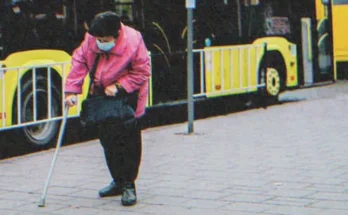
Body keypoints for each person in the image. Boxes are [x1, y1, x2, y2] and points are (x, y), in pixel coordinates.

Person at [64, 11, 151, 206]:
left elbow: (143, 71)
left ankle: (129, 184)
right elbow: (79, 61)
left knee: (128, 141)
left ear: (117, 34)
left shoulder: (133, 41)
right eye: (98, 40)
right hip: (102, 96)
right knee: (107, 140)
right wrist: (71, 90)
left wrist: (119, 86)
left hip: (128, 95)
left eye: (105, 40)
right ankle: (117, 181)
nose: (100, 43)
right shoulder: (92, 39)